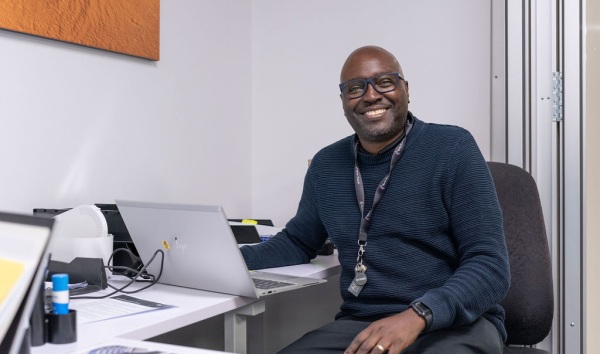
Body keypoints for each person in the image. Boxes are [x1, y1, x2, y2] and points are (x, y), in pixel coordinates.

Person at [240, 45, 510, 354]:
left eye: (384, 82)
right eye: (355, 88)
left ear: (405, 89)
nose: (370, 96)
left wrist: (417, 316)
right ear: (343, 102)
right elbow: (298, 242)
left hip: (456, 324)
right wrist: (229, 261)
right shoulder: (326, 165)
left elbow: (491, 265)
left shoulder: (452, 148)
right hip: (364, 324)